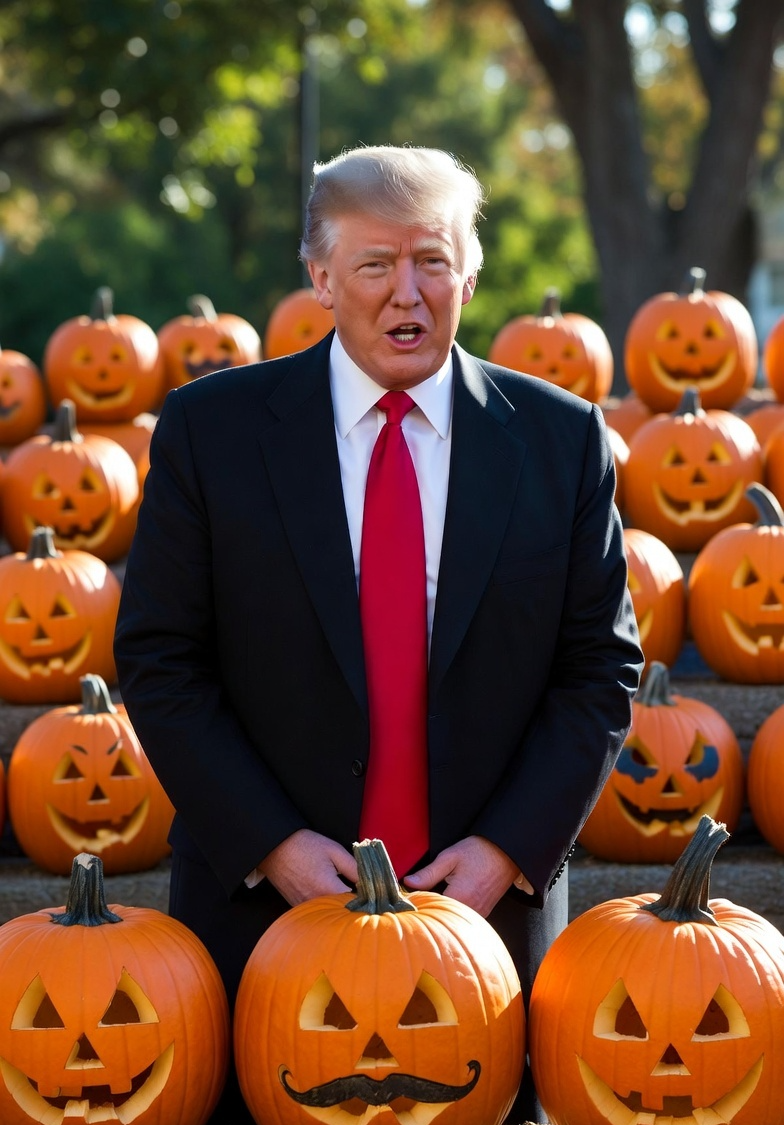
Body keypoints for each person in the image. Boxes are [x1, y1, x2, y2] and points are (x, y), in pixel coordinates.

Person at [114, 143, 643, 1124]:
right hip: (260, 925)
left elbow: (599, 667)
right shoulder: (211, 433)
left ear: (468, 274)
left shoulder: (561, 438)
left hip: (486, 940)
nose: (408, 292)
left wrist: (506, 850)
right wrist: (273, 844)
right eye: (374, 265)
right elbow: (160, 658)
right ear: (320, 278)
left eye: (432, 261)